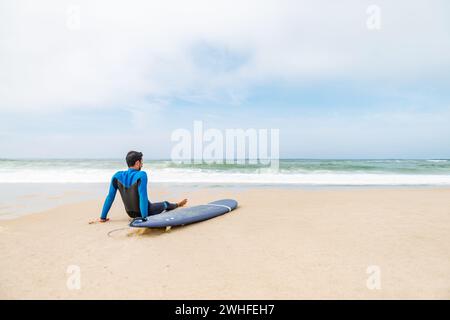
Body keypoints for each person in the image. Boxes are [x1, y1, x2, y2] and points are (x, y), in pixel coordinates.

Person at [95, 151, 187, 223]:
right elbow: (143, 197)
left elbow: (110, 197)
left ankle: (103, 217)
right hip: (144, 212)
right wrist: (144, 219)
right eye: (142, 162)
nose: (142, 164)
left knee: (150, 203)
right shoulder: (141, 175)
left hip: (130, 213)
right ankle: (177, 205)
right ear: (137, 162)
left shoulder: (116, 176)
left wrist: (103, 217)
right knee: (165, 204)